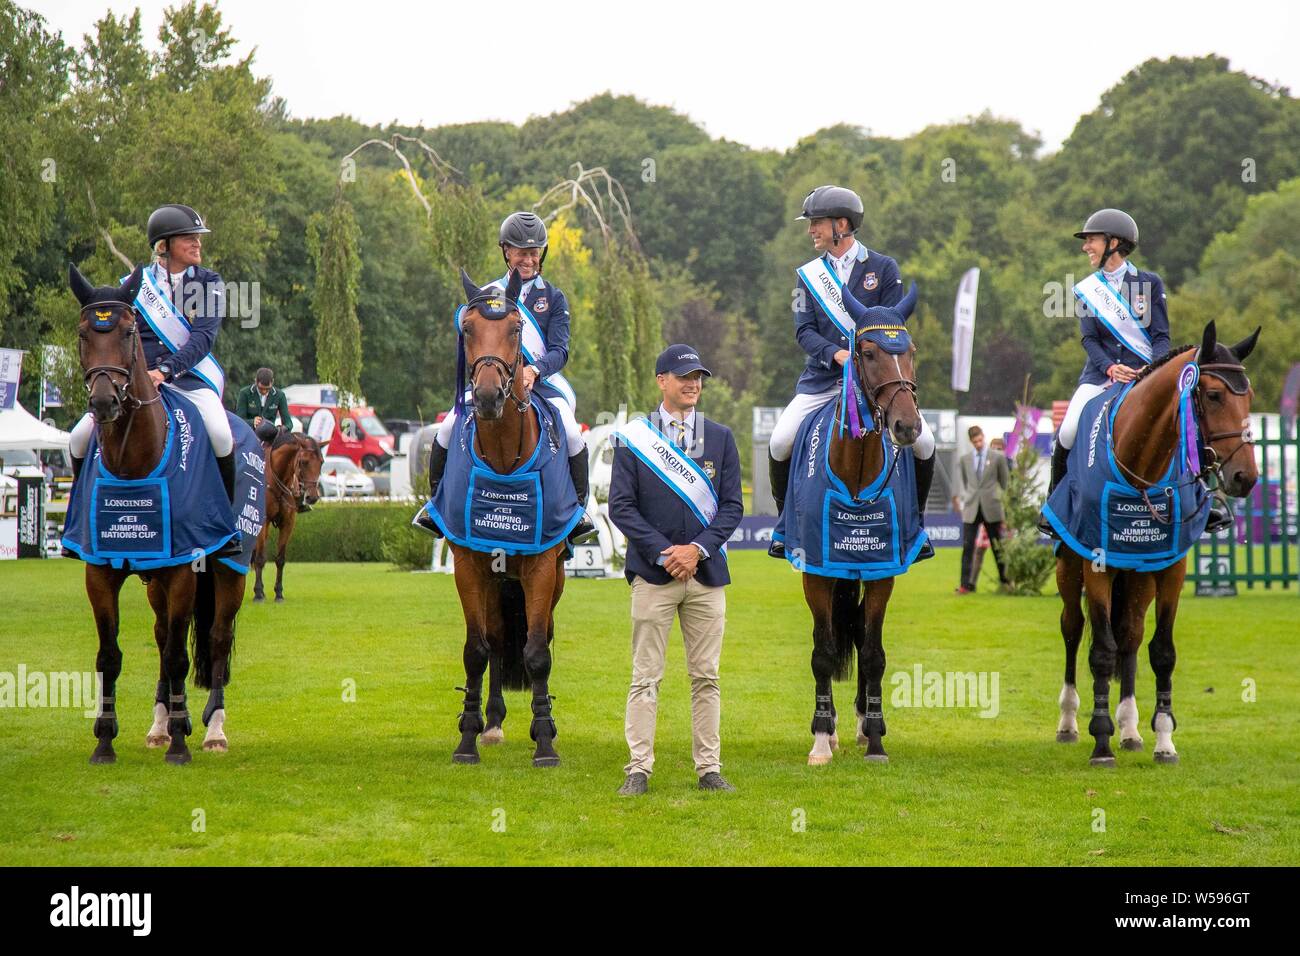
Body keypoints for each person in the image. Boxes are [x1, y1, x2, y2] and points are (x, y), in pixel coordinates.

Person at [766, 185, 936, 559]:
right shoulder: (808, 275)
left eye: (817, 224)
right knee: (780, 441)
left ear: (841, 224)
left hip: (874, 383)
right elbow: (803, 331)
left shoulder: (883, 268)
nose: (811, 231)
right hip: (823, 381)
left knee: (925, 443)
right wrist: (836, 355)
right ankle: (783, 528)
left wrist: (866, 363)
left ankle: (917, 528)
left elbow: (894, 329)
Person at [608, 344, 744, 796]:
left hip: (706, 576)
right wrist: (668, 552)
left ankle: (709, 769)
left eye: (699, 377)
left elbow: (732, 508)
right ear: (661, 380)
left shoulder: (721, 437)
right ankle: (638, 769)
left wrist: (698, 551)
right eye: (684, 376)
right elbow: (621, 508)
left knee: (707, 676)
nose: (693, 384)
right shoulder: (634, 437)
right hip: (654, 574)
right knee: (645, 676)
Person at [67, 203, 240, 555]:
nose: (197, 244)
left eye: (198, 238)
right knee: (78, 437)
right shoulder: (134, 285)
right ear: (165, 244)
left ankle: (225, 527)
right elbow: (119, 337)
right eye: (189, 238)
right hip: (137, 382)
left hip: (189, 379)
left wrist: (166, 370)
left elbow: (203, 338)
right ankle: (80, 523)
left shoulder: (210, 283)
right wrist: (136, 376)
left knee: (220, 433)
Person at [414, 212, 595, 543]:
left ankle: (579, 511)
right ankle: (436, 506)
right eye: (520, 252)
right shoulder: (488, 294)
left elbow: (560, 350)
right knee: (449, 424)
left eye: (533, 252)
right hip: (494, 382)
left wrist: (534, 369)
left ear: (541, 253)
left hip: (542, 383)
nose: (527, 259)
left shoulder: (553, 298)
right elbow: (469, 332)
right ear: (506, 252)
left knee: (571, 431)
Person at [954, 426, 1010, 594]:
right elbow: (965, 482)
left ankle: (1005, 581)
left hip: (992, 508)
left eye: (980, 440)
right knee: (967, 548)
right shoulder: (965, 460)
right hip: (971, 509)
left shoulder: (998, 458)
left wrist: (1005, 506)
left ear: (983, 437)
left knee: (997, 546)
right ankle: (965, 585)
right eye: (975, 441)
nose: (978, 443)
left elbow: (1005, 483)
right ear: (971, 441)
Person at [236, 367, 292, 441]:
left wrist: (281, 429)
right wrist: (252, 422)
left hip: (269, 438)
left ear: (272, 382)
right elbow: (239, 419)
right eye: (261, 388)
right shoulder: (244, 393)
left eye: (267, 389)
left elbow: (288, 423)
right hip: (248, 435)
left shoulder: (280, 395)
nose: (264, 392)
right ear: (256, 381)